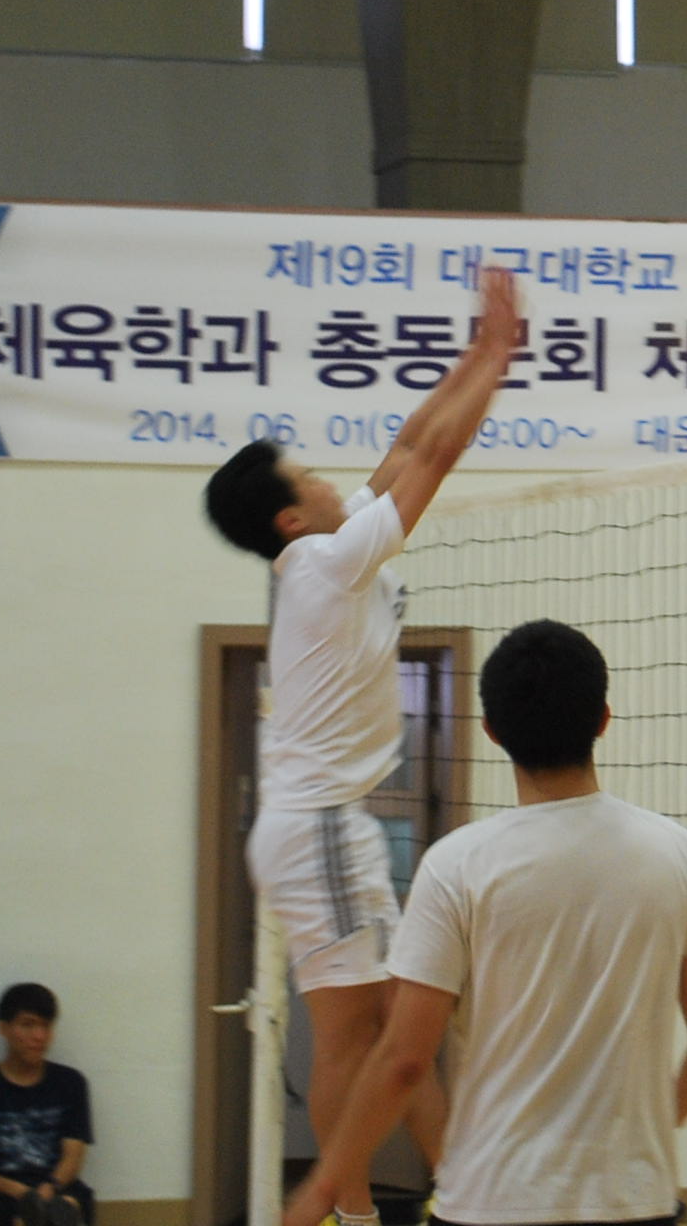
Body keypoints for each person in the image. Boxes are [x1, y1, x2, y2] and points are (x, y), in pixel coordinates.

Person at [207, 267, 520, 1226]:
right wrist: (497, 366)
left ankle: (425, 1197)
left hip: (305, 826)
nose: (324, 475)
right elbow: (439, 458)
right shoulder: (328, 560)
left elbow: (410, 442)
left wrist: (478, 354)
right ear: (289, 517)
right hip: (320, 828)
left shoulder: (324, 554)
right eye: (305, 474)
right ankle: (369, 1207)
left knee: (384, 1029)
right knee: (370, 1037)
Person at [283, 618, 687, 1226]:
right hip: (637, 1197)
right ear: (603, 720)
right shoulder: (677, 854)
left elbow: (405, 1061)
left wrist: (324, 1185)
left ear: (492, 730)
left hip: (492, 1199)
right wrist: (650, 1132)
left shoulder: (456, 865)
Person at [0, 985, 91, 1226]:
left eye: (46, 1026)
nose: (39, 1036)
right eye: (28, 1025)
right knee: (15, 1215)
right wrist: (21, 1193)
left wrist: (47, 1190)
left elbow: (72, 1156)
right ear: (4, 1028)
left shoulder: (70, 1083)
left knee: (69, 1204)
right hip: (1, 1191)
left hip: (57, 1187)